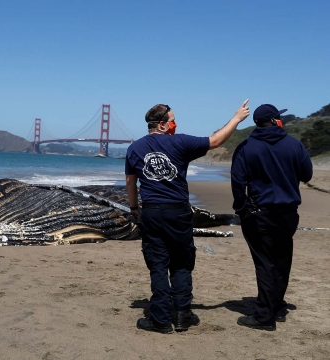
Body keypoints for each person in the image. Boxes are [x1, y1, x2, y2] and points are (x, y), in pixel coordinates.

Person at [126, 100, 250, 334]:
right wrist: (236, 119)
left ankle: (160, 319)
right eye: (172, 120)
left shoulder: (135, 148)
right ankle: (182, 315)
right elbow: (215, 141)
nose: (175, 124)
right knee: (182, 263)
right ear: (162, 125)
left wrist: (134, 209)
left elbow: (130, 182)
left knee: (158, 265)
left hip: (152, 211)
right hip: (178, 211)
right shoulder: (180, 142)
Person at [231, 104, 313, 331]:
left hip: (259, 212)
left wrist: (241, 208)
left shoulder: (246, 146)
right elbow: (307, 174)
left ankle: (264, 316)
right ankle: (276, 307)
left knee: (265, 262)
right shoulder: (294, 144)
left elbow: (238, 181)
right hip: (287, 213)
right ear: (276, 121)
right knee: (282, 259)